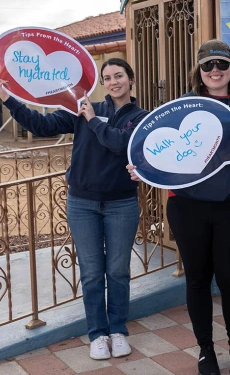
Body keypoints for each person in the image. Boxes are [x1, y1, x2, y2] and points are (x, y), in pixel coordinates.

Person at [129, 40, 230, 375]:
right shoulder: (183, 108)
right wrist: (141, 165)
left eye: (221, 65)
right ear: (199, 72)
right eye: (208, 66)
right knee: (197, 279)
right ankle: (205, 351)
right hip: (187, 207)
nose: (215, 71)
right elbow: (161, 151)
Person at [0, 58, 148, 360]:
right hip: (82, 204)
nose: (113, 82)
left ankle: (118, 330)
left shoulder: (141, 118)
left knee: (118, 271)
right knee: (92, 273)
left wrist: (92, 120)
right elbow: (41, 125)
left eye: (119, 75)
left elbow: (120, 144)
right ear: (102, 83)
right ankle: (97, 334)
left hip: (122, 203)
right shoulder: (84, 109)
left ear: (131, 80)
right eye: (107, 77)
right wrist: (7, 99)